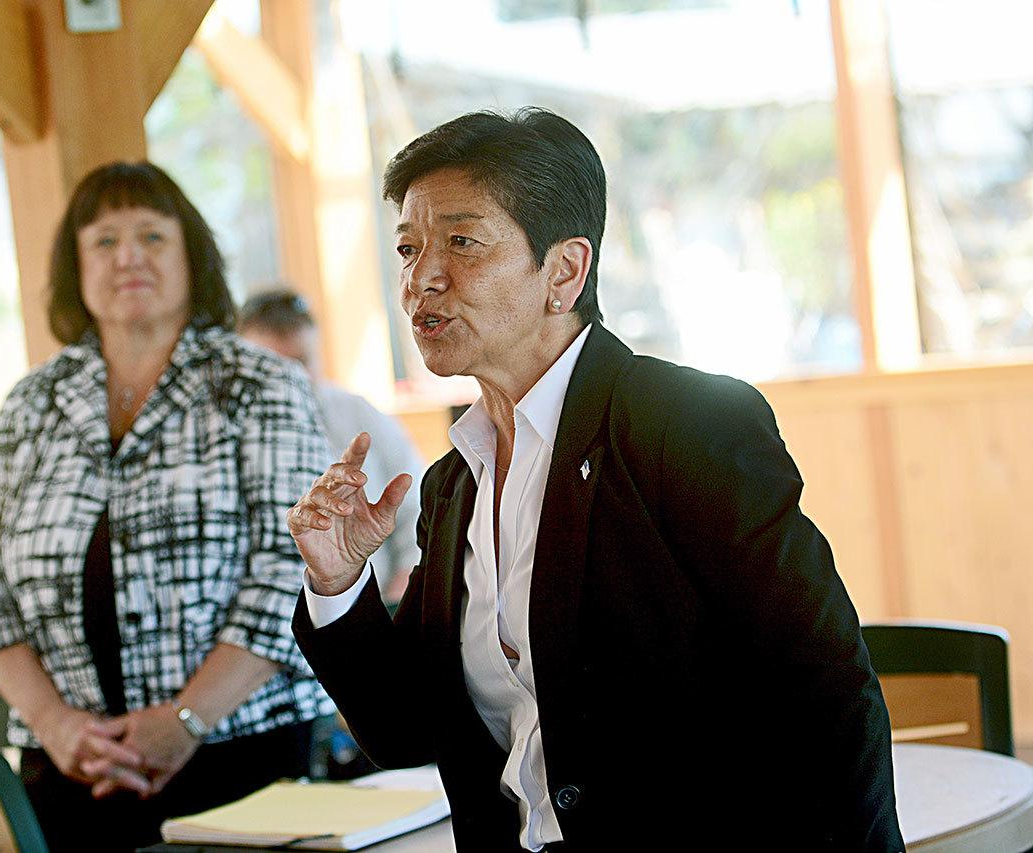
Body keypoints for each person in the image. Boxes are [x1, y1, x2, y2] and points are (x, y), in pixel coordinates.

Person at [287, 109, 903, 851]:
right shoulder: (454, 483)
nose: (423, 278)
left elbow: (829, 692)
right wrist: (337, 581)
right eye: (408, 248)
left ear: (565, 271)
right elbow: (404, 728)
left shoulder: (685, 423)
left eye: (461, 242)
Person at [0, 161, 332, 852]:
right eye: (103, 240)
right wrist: (54, 722)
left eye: (152, 236)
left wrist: (187, 717)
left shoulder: (260, 383)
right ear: (76, 267)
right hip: (70, 765)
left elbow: (294, 569)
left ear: (192, 256)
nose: (127, 255)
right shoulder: (31, 402)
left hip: (241, 750)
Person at [238, 288, 424, 603]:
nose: (290, 380)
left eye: (301, 362)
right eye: (273, 368)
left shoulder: (358, 413)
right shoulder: (223, 440)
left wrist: (402, 595)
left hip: (375, 610)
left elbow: (417, 505)